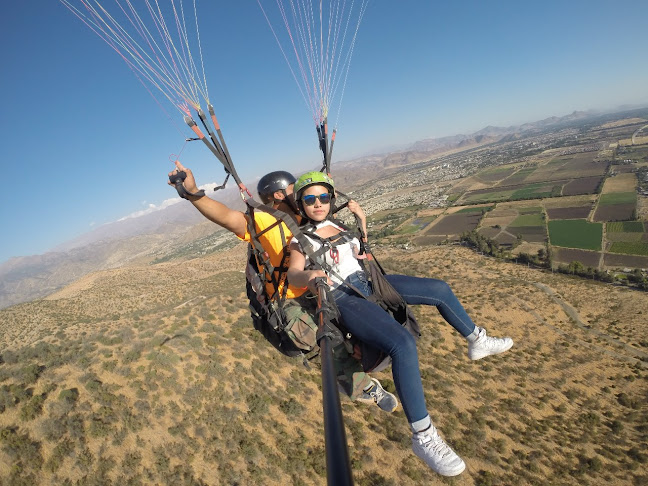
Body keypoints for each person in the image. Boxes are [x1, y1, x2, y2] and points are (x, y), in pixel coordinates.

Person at [287, 171, 514, 476]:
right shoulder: (300, 239)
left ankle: (477, 339)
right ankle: (424, 436)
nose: (318, 204)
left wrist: (362, 222)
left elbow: (362, 255)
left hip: (369, 281)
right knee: (402, 344)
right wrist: (310, 277)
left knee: (439, 289)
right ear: (301, 205)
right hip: (343, 296)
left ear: (331, 200)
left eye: (324, 197)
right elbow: (293, 274)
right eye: (310, 199)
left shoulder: (340, 225)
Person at [167, 161, 397, 412]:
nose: (301, 193)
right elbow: (227, 217)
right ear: (279, 195)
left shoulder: (308, 215)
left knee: (363, 317)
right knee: (331, 337)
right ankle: (360, 386)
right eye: (293, 189)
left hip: (323, 285)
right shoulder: (264, 220)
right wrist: (192, 193)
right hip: (289, 297)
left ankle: (377, 352)